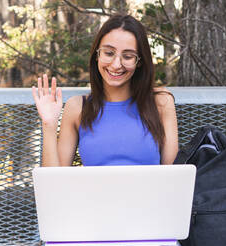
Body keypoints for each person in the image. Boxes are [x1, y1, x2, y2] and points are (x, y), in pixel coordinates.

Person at [32, 14, 178, 167]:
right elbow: (56, 183)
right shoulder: (77, 107)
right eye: (109, 53)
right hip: (91, 191)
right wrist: (49, 125)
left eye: (127, 56)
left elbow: (174, 177)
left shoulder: (161, 102)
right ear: (97, 55)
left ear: (139, 62)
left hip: (150, 191)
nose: (116, 65)